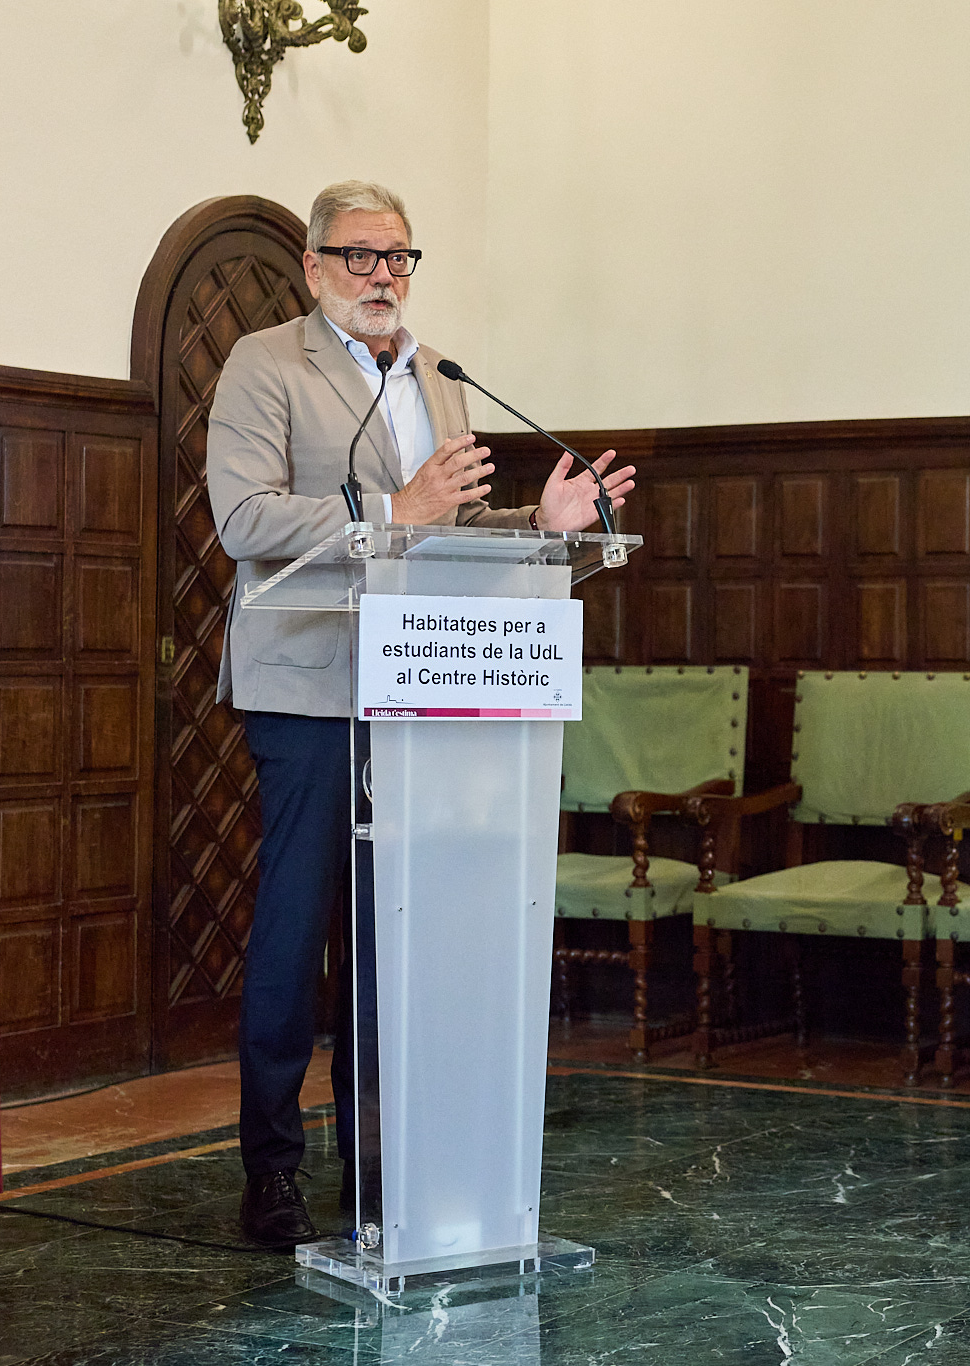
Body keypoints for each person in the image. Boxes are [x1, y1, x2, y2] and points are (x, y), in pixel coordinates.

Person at [206, 180, 636, 1248]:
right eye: (359, 257)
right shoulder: (267, 364)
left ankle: (376, 1160)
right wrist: (392, 509)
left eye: (398, 257)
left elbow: (445, 530)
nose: (383, 277)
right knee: (299, 928)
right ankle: (270, 1167)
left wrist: (535, 520)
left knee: (389, 935)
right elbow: (243, 516)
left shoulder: (438, 378)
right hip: (306, 688)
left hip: (419, 686)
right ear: (312, 268)